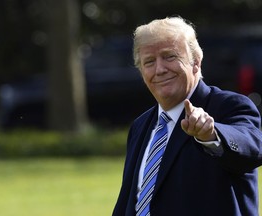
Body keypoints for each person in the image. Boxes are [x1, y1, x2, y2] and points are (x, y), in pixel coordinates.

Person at [112, 16, 262, 216]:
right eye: (149, 62)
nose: (160, 69)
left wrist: (211, 135)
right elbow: (129, 202)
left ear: (196, 62)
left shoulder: (229, 107)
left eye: (170, 56)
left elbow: (251, 148)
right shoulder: (141, 126)